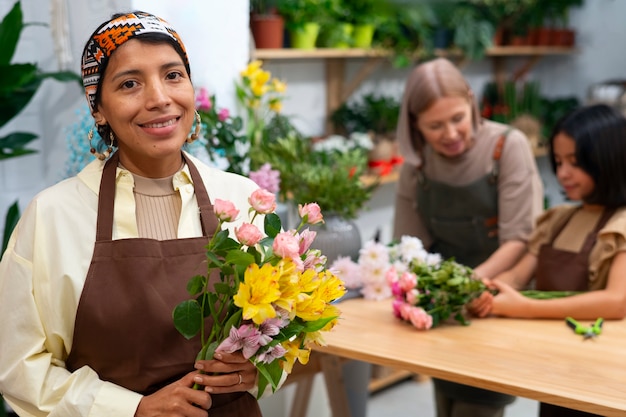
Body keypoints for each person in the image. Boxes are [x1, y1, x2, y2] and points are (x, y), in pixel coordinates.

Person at [0, 11, 266, 417]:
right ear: (99, 109)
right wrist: (131, 409)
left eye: (173, 75)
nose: (159, 98)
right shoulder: (53, 217)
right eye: (129, 83)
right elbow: (19, 367)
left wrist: (258, 370)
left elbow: (280, 335)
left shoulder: (245, 199)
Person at [393, 57, 544, 417]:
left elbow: (519, 238)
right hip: (444, 308)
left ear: (472, 103)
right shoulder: (417, 167)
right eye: (434, 125)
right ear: (415, 124)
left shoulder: (508, 147)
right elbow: (409, 245)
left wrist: (467, 285)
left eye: (458, 118)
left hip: (496, 297)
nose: (450, 134)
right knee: (446, 403)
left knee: (476, 407)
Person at [469, 103, 626, 417]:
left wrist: (526, 308)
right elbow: (517, 276)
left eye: (575, 162)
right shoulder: (558, 220)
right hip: (552, 371)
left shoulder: (621, 224)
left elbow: (616, 301)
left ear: (609, 160)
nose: (563, 173)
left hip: (603, 380)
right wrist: (488, 291)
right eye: (558, 161)